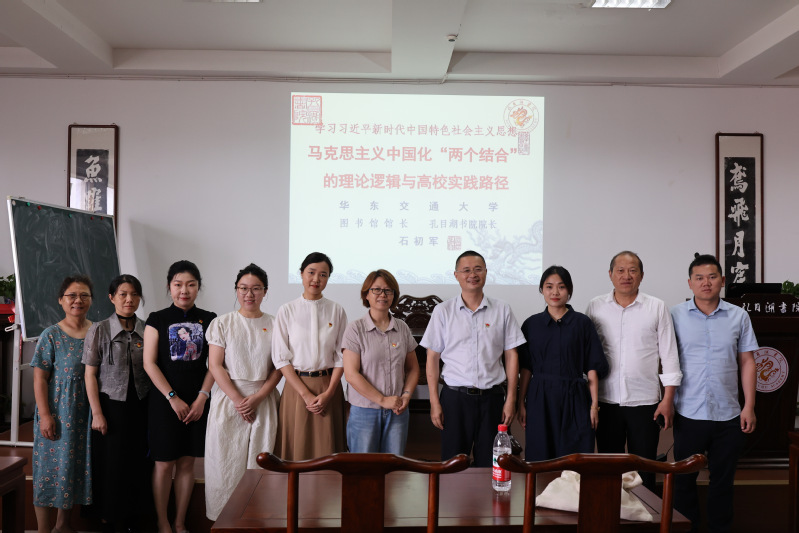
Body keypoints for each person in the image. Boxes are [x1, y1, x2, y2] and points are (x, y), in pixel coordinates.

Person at [670, 254, 757, 533]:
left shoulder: (738, 316)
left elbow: (747, 362)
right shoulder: (674, 315)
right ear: (690, 283)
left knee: (722, 481)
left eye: (711, 277)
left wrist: (749, 406)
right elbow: (666, 361)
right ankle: (687, 528)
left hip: (728, 412)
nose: (705, 282)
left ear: (722, 280)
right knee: (684, 480)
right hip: (688, 411)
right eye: (699, 278)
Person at [585, 250, 682, 490]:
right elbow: (587, 355)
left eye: (632, 270)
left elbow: (669, 356)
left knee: (644, 470)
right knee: (610, 470)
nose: (626, 276)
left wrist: (667, 400)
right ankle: (612, 512)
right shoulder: (595, 307)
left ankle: (645, 513)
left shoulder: (657, 307)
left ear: (641, 275)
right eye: (620, 270)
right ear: (610, 274)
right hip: (606, 401)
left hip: (645, 402)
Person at [421, 250, 525, 467]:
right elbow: (432, 357)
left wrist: (511, 399)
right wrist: (434, 401)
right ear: (456, 275)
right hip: (455, 399)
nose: (472, 275)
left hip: (492, 399)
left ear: (486, 272)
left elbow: (511, 354)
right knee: (452, 464)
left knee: (491, 464)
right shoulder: (443, 311)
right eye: (466, 270)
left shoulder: (502, 309)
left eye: (478, 269)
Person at [143, 260, 216, 533]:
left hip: (197, 402)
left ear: (198, 287)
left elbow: (214, 365)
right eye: (178, 284)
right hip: (165, 403)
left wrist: (202, 398)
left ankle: (180, 522)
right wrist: (172, 397)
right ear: (169, 286)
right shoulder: (157, 319)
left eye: (190, 285)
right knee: (164, 464)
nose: (184, 290)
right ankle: (163, 523)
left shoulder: (210, 319)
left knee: (187, 463)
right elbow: (149, 363)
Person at [204, 263, 281, 520]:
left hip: (263, 400)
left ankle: (257, 520)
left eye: (256, 289)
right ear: (236, 290)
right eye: (243, 288)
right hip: (229, 400)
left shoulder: (275, 324)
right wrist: (239, 400)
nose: (249, 294)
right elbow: (215, 365)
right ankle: (225, 520)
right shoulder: (222, 323)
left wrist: (257, 398)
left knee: (260, 464)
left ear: (265, 291)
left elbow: (279, 367)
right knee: (225, 465)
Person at [517, 265, 608, 461]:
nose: (555, 292)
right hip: (540, 398)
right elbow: (526, 368)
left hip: (575, 397)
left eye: (561, 287)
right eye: (549, 287)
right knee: (540, 456)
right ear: (542, 290)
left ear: (569, 290)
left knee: (575, 458)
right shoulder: (531, 324)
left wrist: (594, 406)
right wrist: (520, 403)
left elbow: (592, 367)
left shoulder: (582, 323)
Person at [83, 274, 151, 533]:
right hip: (110, 405)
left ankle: (135, 518)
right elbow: (90, 375)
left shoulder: (147, 329)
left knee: (138, 462)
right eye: (123, 294)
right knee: (112, 464)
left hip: (141, 404)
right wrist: (97, 413)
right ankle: (109, 519)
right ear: (112, 297)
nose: (129, 299)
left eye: (134, 294)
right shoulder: (99, 329)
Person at [31, 275, 94, 533]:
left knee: (72, 467)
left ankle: (63, 526)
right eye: (72, 295)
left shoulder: (97, 332)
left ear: (91, 300)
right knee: (48, 471)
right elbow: (39, 379)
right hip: (57, 412)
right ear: (61, 300)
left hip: (85, 413)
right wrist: (45, 416)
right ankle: (43, 530)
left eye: (84, 295)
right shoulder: (51, 334)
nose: (78, 300)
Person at [272, 252, 347, 460]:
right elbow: (281, 358)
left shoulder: (336, 310)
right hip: (297, 389)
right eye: (311, 272)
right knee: (296, 451)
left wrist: (329, 393)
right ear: (301, 274)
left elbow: (341, 356)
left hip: (328, 387)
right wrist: (305, 394)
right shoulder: (287, 310)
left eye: (323, 275)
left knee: (328, 450)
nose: (316, 279)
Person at [342, 269, 420, 454]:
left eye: (388, 290)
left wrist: (406, 395)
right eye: (376, 289)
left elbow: (413, 368)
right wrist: (382, 400)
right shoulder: (355, 329)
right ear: (366, 294)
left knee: (394, 466)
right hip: (364, 411)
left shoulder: (402, 328)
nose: (382, 295)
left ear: (394, 295)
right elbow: (351, 374)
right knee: (363, 467)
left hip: (397, 411)